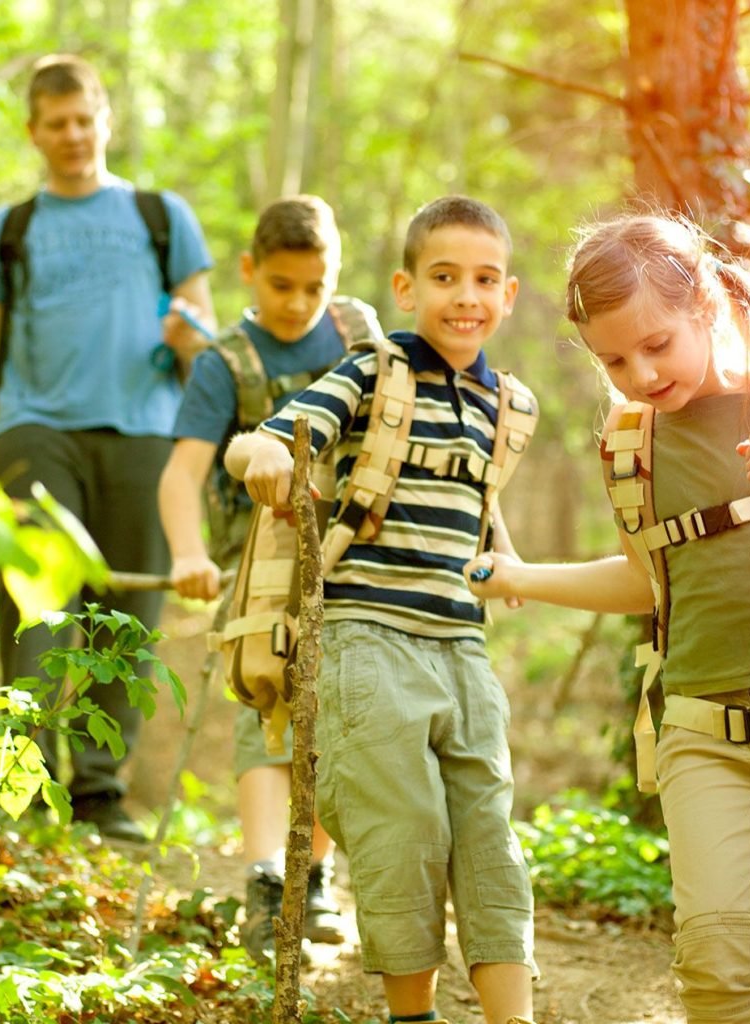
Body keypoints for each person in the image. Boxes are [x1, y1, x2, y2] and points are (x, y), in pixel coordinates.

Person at [464, 212, 750, 1024]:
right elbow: (649, 580)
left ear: (703, 300)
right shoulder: (632, 440)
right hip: (702, 725)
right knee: (713, 961)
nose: (639, 372)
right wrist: (524, 575)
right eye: (614, 359)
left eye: (657, 344)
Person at [225, 196, 539, 1024]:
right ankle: (415, 1015)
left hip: (463, 648)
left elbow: (483, 507)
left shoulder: (509, 404)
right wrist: (261, 455)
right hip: (368, 636)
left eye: (483, 280)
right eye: (444, 278)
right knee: (402, 832)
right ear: (406, 288)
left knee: (488, 837)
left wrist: (511, 566)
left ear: (508, 296)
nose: (464, 296)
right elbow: (274, 435)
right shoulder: (375, 371)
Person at [0, 54, 216, 843]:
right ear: (34, 133)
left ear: (107, 120)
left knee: (125, 614)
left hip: (146, 436)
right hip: (35, 430)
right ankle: (18, 793)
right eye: (55, 124)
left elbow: (205, 336)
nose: (71, 135)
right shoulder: (10, 229)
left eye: (83, 119)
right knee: (36, 607)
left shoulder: (162, 217)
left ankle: (100, 791)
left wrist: (184, 333)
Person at [157, 195, 375, 959]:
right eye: (280, 285)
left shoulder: (359, 334)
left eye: (314, 287)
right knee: (268, 701)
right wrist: (188, 553)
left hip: (352, 554)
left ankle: (311, 876)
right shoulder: (226, 363)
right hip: (258, 564)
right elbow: (182, 474)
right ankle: (262, 875)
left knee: (330, 713)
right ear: (249, 271)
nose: (297, 303)